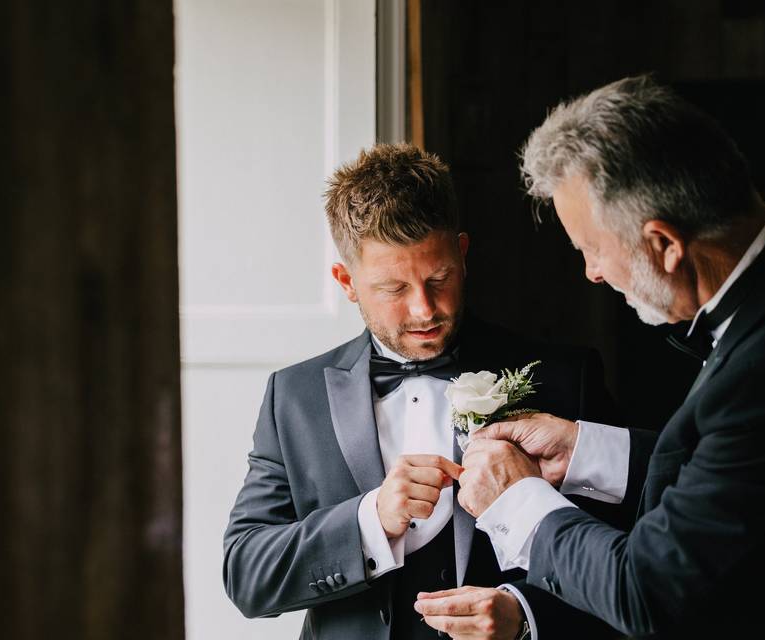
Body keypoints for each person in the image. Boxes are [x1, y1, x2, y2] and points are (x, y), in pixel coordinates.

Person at [223, 143, 620, 639]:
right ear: (346, 281)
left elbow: (631, 565)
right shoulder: (294, 397)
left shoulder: (563, 378)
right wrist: (370, 520)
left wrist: (524, 614)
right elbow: (246, 574)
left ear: (464, 253)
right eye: (394, 289)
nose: (424, 310)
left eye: (440, 278)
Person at [446, 75, 765, 638]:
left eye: (592, 249)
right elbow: (747, 476)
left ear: (663, 245)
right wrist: (584, 451)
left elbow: (651, 592)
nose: (593, 273)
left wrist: (519, 501)